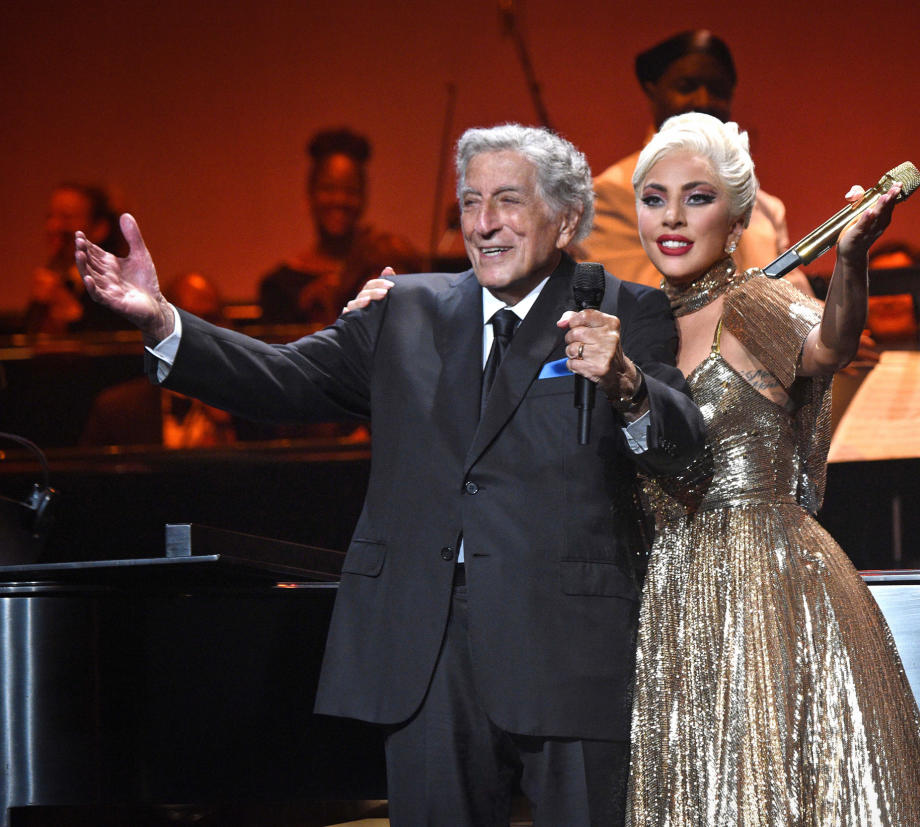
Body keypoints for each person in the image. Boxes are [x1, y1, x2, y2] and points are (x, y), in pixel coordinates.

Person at [76, 124, 705, 827]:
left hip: (568, 641)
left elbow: (682, 448)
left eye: (507, 200)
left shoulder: (628, 310)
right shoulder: (403, 310)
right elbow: (285, 378)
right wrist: (163, 321)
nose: (484, 223)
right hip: (426, 642)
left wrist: (625, 382)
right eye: (470, 203)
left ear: (564, 218)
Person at [625, 113, 920, 824]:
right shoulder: (636, 322)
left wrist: (853, 259)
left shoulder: (754, 303)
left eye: (697, 197)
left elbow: (830, 345)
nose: (672, 217)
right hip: (671, 590)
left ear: (737, 219)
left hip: (762, 582)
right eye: (654, 198)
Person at [577, 30, 812, 298]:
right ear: (653, 91)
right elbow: (642, 300)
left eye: (718, 90)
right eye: (686, 87)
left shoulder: (766, 207)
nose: (703, 101)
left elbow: (795, 296)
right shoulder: (611, 194)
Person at [258, 127, 422, 326]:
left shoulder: (382, 267)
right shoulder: (278, 287)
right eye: (329, 189)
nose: (339, 200)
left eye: (350, 191)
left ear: (364, 197)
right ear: (310, 195)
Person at [79, 272, 238, 448]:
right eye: (187, 319)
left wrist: (227, 425)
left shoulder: (256, 406)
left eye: (211, 319)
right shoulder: (115, 411)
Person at [25, 182, 130, 335]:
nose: (53, 226)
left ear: (100, 228)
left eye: (66, 217)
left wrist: (72, 314)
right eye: (50, 217)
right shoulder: (61, 279)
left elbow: (120, 348)